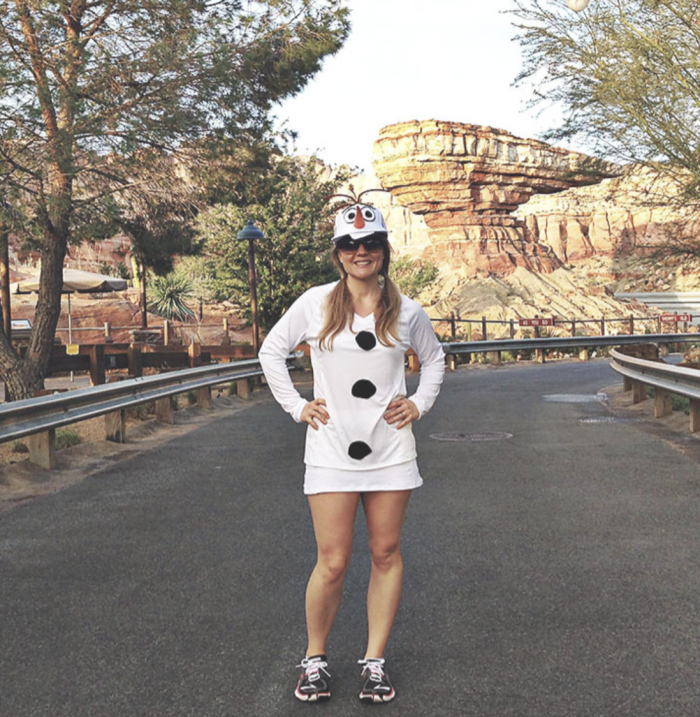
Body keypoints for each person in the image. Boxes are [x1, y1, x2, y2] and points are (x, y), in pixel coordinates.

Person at [258, 201, 445, 704]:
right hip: (331, 451)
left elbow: (434, 360)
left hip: (390, 451)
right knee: (333, 561)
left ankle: (375, 661)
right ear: (338, 254)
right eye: (350, 244)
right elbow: (270, 351)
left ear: (384, 250)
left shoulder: (407, 311)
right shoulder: (315, 303)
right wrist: (297, 408)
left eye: (370, 244)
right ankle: (315, 659)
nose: (361, 252)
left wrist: (419, 404)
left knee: (385, 553)